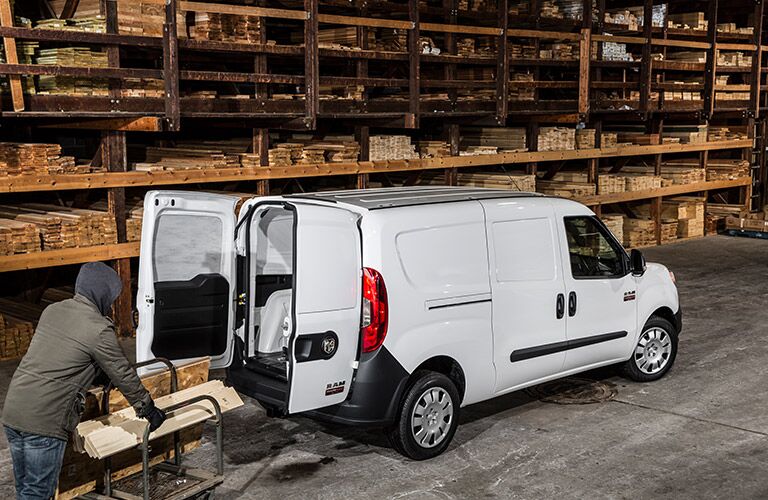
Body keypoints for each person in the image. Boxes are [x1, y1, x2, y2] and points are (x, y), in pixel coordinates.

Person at [2, 262, 167, 500]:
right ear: (101, 293)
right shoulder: (98, 328)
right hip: (45, 419)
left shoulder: (52, 311)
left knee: (26, 490)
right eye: (110, 298)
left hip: (14, 412)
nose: (110, 305)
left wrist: (96, 373)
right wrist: (147, 407)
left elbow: (62, 353)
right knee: (38, 493)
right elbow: (122, 371)